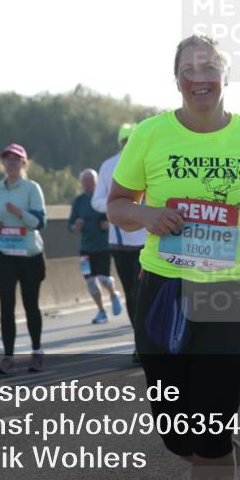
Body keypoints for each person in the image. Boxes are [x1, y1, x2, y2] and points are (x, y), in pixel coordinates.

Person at [106, 34, 240, 480]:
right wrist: (147, 215)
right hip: (163, 291)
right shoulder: (150, 134)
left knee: (210, 432)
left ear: (226, 76)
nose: (198, 78)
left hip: (231, 293)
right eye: (187, 70)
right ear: (177, 81)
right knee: (175, 435)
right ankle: (219, 460)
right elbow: (117, 204)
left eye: (208, 67)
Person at [0, 143, 47, 374]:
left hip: (30, 254)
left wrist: (20, 213)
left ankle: (37, 352)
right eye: (7, 159)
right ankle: (8, 357)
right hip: (5, 253)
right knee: (6, 306)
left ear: (24, 163)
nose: (11, 164)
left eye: (16, 160)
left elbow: (41, 222)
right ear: (2, 163)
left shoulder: (32, 188)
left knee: (30, 305)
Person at [92, 123, 146, 329]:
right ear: (120, 142)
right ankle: (138, 337)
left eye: (132, 140)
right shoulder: (108, 166)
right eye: (125, 141)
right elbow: (96, 200)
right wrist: (117, 207)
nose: (129, 144)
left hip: (147, 242)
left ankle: (149, 335)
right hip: (120, 243)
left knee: (144, 291)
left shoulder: (148, 160)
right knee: (130, 292)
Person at [70, 168, 123, 324]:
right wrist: (76, 226)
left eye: (91, 180)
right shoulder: (78, 201)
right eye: (85, 180)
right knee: (90, 281)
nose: (88, 183)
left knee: (103, 278)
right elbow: (70, 226)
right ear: (81, 183)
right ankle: (101, 311)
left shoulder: (104, 198)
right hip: (85, 248)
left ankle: (113, 294)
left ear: (97, 182)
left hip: (103, 246)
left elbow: (115, 217)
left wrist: (108, 224)